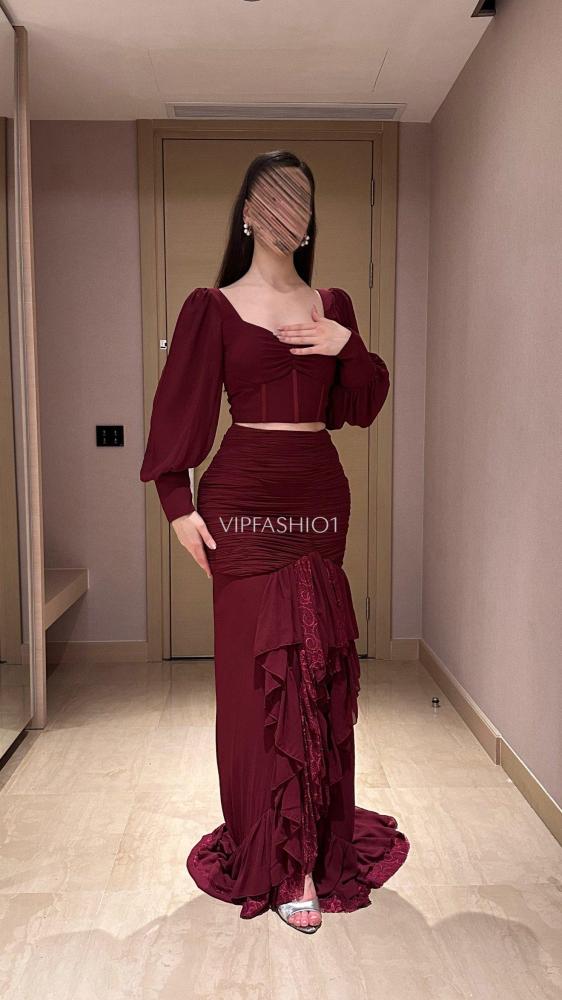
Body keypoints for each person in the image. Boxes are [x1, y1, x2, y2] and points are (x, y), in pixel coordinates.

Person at [140, 150, 410, 934]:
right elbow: (179, 408)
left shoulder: (333, 305)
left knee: (317, 669)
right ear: (249, 211)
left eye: (303, 197)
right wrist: (176, 503)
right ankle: (278, 858)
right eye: (275, 196)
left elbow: (361, 407)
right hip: (242, 503)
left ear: (311, 216)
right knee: (255, 682)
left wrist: (345, 346)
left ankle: (317, 845)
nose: (291, 209)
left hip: (318, 496)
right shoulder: (211, 307)